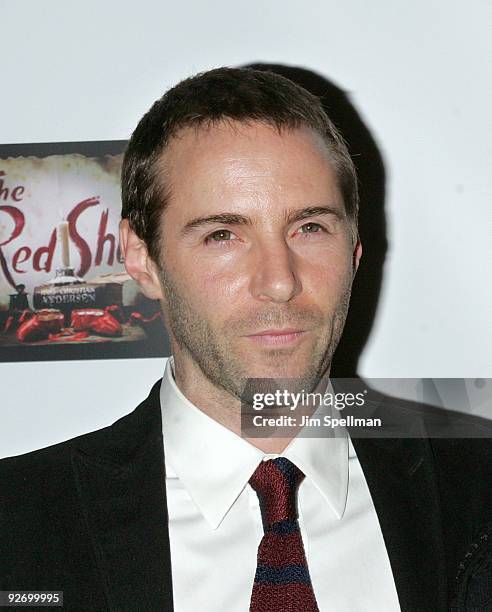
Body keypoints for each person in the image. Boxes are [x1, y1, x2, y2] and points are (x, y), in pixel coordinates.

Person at [1, 67, 491, 612]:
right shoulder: (17, 525)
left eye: (310, 227)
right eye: (222, 235)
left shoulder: (477, 489)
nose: (279, 281)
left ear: (355, 246)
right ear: (142, 259)